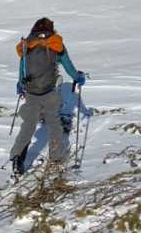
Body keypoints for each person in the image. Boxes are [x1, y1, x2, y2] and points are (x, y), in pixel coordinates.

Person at [10, 18, 86, 176]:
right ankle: (56, 159)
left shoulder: (27, 44)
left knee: (28, 125)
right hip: (50, 91)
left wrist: (20, 84)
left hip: (31, 91)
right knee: (53, 124)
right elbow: (68, 66)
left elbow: (22, 68)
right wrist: (78, 77)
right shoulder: (55, 43)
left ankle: (17, 158)